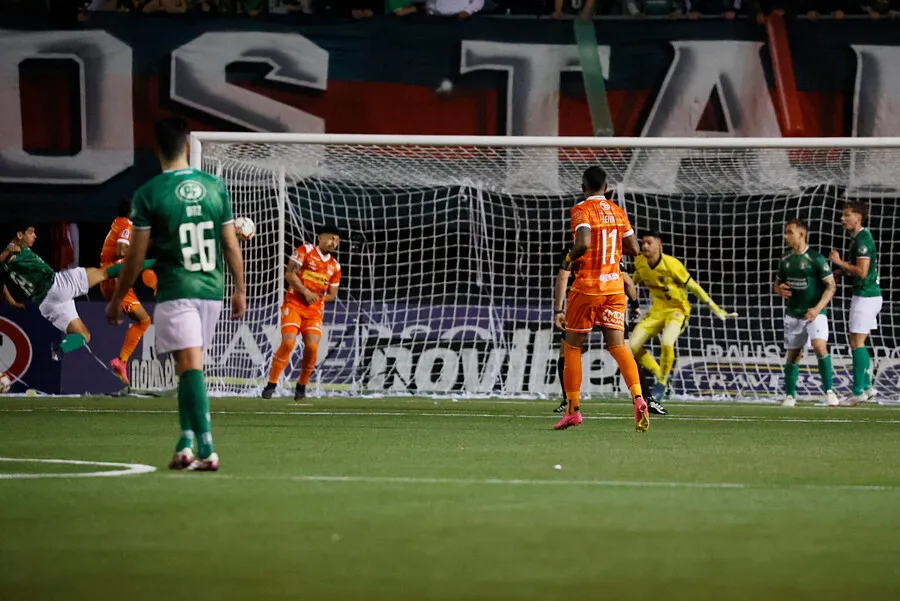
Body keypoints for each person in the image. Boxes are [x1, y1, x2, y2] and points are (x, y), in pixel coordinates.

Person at [106, 117, 246, 472]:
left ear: (157, 149)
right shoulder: (215, 186)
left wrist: (116, 297)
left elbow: (134, 257)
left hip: (177, 289)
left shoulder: (150, 193)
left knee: (189, 368)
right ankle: (185, 442)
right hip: (212, 290)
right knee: (186, 368)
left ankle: (207, 447)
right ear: (187, 145)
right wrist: (240, 290)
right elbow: (230, 244)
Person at [552, 167, 648, 432]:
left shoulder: (580, 210)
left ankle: (573, 410)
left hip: (587, 287)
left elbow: (582, 243)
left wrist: (569, 258)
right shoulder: (618, 211)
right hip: (614, 288)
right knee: (618, 346)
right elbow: (634, 249)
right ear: (606, 187)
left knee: (572, 347)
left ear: (583, 186)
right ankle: (638, 397)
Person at [0, 224, 153, 360]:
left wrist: (12, 301)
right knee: (106, 273)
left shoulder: (9, 260)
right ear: (20, 235)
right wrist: (7, 252)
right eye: (31, 232)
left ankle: (60, 349)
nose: (35, 235)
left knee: (84, 336)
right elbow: (6, 255)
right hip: (57, 286)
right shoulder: (15, 250)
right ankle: (155, 262)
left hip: (46, 304)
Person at [628, 230, 737, 400]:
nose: (645, 246)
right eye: (643, 243)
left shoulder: (672, 264)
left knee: (667, 342)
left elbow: (694, 287)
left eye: (649, 243)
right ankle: (660, 374)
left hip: (677, 311)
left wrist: (716, 309)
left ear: (659, 245)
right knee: (631, 347)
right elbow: (633, 282)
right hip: (656, 311)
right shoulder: (640, 262)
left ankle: (662, 383)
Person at [550, 249, 662, 413]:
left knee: (567, 352)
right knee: (624, 351)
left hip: (582, 303)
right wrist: (635, 304)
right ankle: (645, 398)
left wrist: (558, 310)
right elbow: (628, 281)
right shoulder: (609, 250)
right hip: (609, 303)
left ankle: (569, 401)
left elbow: (563, 278)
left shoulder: (572, 251)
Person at [262, 226, 342, 401]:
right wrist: (306, 293)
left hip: (313, 312)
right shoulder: (305, 250)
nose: (334, 243)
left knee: (312, 348)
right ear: (320, 237)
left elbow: (331, 295)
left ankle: (301, 386)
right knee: (289, 343)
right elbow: (290, 274)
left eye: (337, 240)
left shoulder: (335, 267)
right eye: (331, 238)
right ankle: (272, 383)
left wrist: (316, 300)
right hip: (294, 304)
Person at [774, 220, 839, 407]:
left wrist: (817, 309)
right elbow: (776, 284)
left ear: (801, 235)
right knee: (794, 354)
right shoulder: (785, 260)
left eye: (789, 232)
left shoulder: (816, 259)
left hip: (815, 313)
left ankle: (829, 392)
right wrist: (780, 290)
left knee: (819, 347)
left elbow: (831, 286)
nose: (785, 236)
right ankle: (790, 396)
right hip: (794, 313)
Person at [829, 202, 882, 405]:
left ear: (858, 218)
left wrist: (839, 262)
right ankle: (868, 388)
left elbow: (862, 272)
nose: (842, 219)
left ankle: (858, 391)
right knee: (860, 343)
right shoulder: (860, 238)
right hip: (871, 295)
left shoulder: (862, 241)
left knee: (856, 343)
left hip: (866, 296)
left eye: (847, 215)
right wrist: (842, 271)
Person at [99, 198, 155, 385]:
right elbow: (121, 250)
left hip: (111, 278)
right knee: (144, 320)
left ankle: (122, 362)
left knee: (143, 320)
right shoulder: (126, 225)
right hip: (115, 279)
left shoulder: (118, 223)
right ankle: (121, 361)